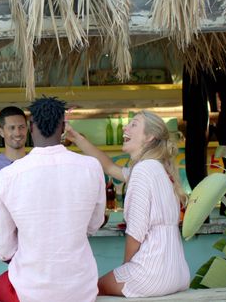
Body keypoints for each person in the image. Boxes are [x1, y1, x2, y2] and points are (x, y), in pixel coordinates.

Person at [0, 96, 106, 302]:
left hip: (29, 291)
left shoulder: (8, 176)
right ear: (62, 127)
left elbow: (3, 249)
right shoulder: (91, 167)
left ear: (31, 127)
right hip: (81, 290)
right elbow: (94, 225)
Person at [65, 110, 190, 297]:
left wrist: (126, 269)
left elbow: (135, 232)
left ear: (149, 137)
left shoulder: (142, 171)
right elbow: (108, 166)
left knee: (90, 291)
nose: (125, 127)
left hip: (151, 275)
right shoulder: (158, 168)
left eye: (134, 124)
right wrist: (75, 137)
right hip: (177, 273)